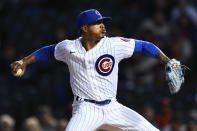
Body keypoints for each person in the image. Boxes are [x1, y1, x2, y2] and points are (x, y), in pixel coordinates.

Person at [10, 9, 173, 131]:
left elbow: (144, 46)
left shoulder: (113, 44)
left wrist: (167, 60)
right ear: (85, 28)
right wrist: (24, 61)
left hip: (113, 107)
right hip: (86, 109)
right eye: (97, 23)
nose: (102, 26)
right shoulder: (69, 47)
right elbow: (48, 51)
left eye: (102, 22)